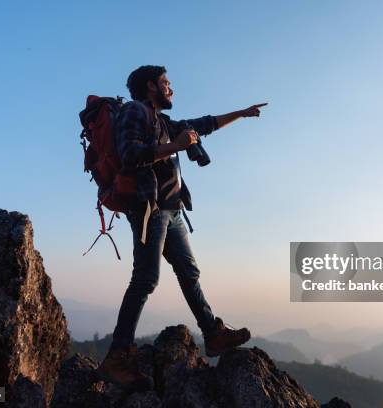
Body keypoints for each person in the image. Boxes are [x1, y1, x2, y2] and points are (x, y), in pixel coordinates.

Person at [97, 65, 267, 387]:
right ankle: (116, 358)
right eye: (166, 83)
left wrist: (242, 114)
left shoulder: (162, 121)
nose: (171, 88)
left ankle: (213, 334)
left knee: (189, 273)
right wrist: (174, 147)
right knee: (145, 279)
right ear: (150, 87)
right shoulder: (134, 112)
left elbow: (205, 124)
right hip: (150, 209)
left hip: (172, 211)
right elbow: (130, 154)